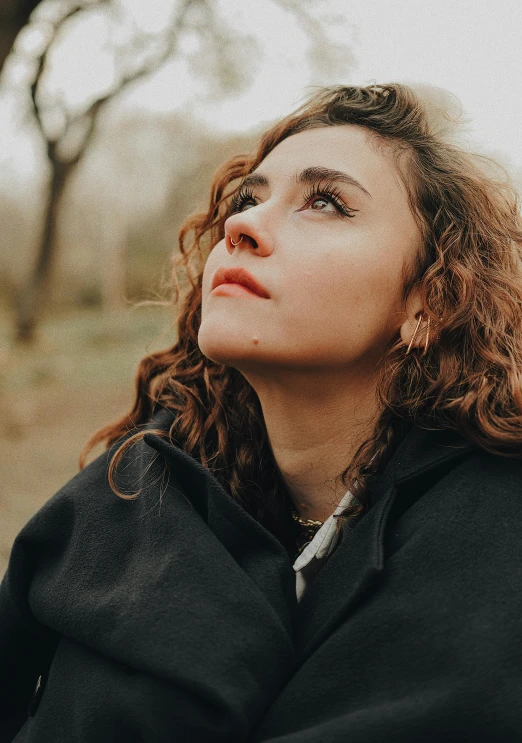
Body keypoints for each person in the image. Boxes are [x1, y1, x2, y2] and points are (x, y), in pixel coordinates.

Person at [1, 83, 522, 742]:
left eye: (325, 202)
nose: (240, 224)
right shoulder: (132, 496)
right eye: (249, 198)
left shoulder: (497, 535)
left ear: (429, 302)